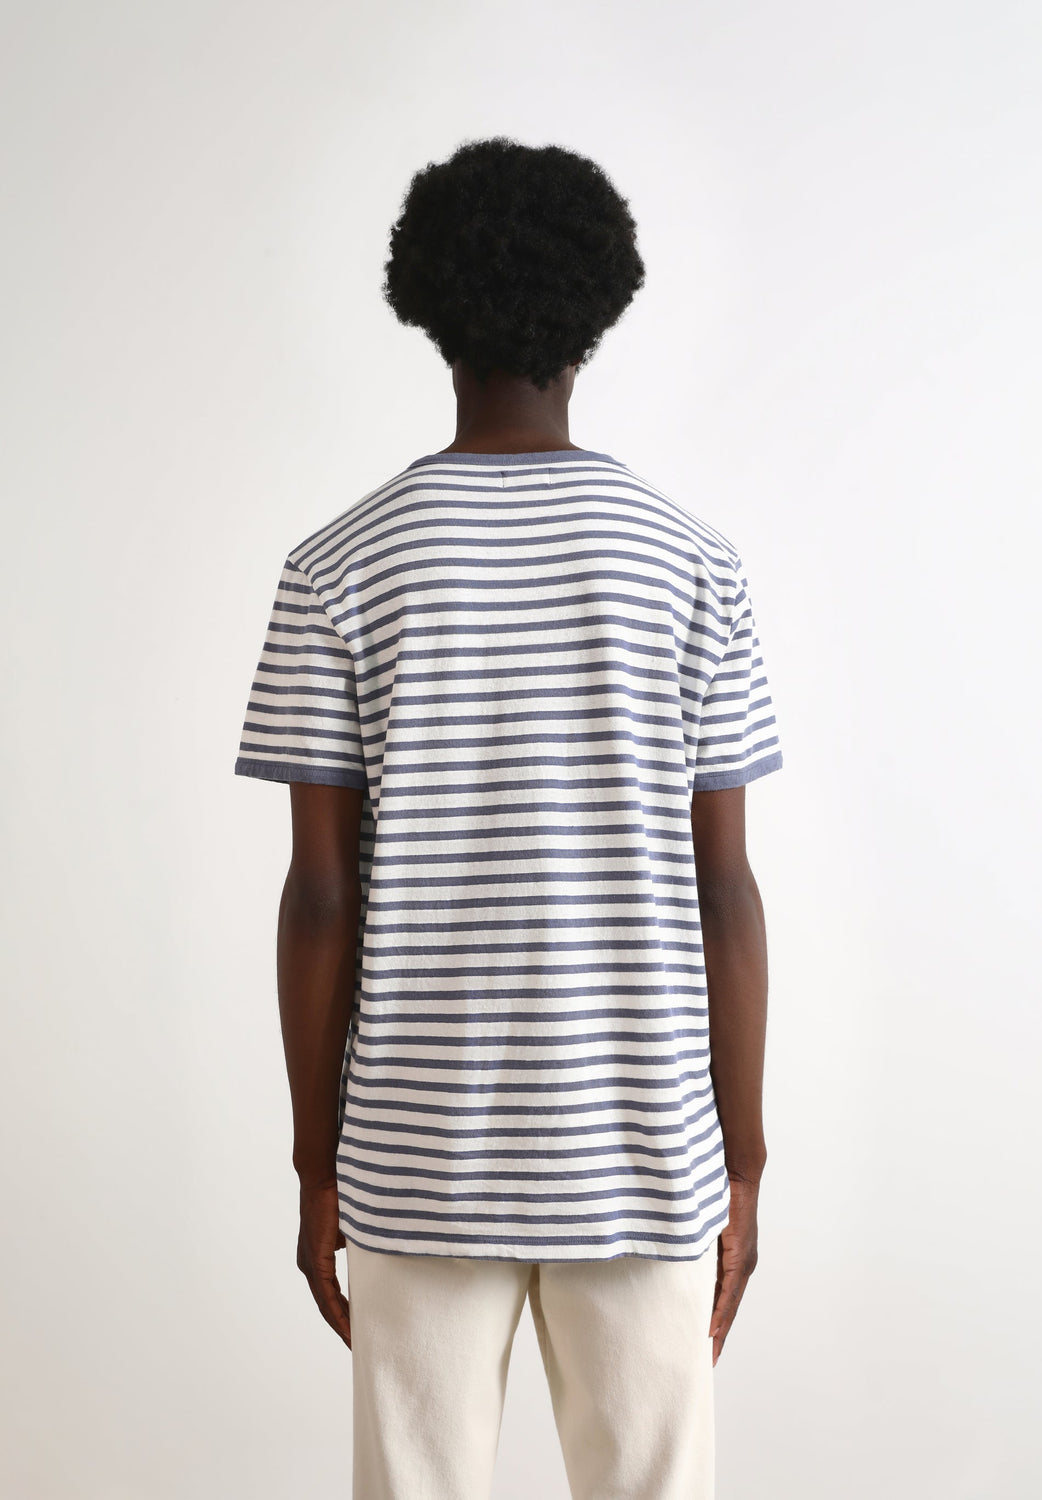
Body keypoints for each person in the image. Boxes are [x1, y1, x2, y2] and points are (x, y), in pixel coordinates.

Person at [234, 135, 783, 1500]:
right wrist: (744, 1158)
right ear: (597, 316)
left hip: (416, 1153)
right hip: (646, 1147)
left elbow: (321, 895)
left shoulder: (338, 567)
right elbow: (725, 890)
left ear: (426, 311)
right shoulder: (693, 565)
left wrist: (314, 1163)